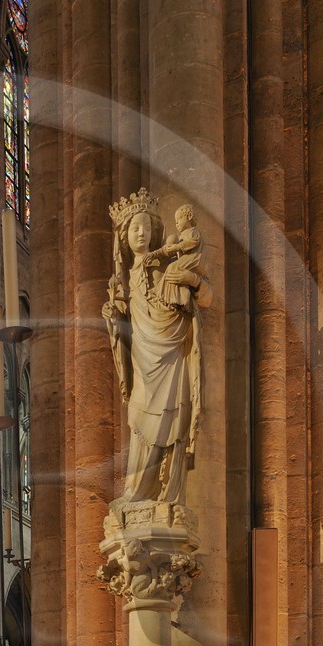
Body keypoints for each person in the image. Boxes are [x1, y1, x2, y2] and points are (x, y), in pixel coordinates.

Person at [102, 191, 206, 504]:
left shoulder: (163, 267)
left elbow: (188, 302)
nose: (142, 233)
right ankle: (137, 492)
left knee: (174, 419)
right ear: (124, 235)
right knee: (139, 416)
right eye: (135, 228)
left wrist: (192, 288)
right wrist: (114, 316)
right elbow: (124, 323)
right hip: (142, 358)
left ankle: (169, 496)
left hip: (170, 351)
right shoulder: (119, 281)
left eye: (147, 227)